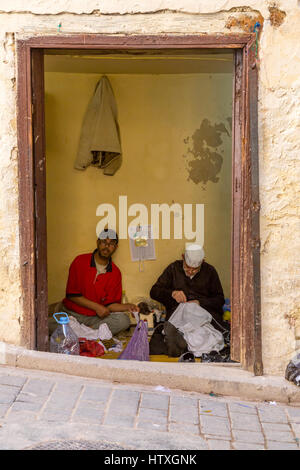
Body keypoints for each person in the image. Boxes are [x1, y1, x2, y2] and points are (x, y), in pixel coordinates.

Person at [49, 229, 138, 336]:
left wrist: (128, 306)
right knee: (44, 325)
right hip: (72, 314)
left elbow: (110, 305)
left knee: (123, 320)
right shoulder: (80, 261)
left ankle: (81, 332)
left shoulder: (115, 272)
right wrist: (97, 307)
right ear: (98, 242)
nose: (106, 246)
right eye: (104, 242)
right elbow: (72, 295)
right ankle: (88, 333)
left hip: (95, 319)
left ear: (116, 247)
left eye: (111, 244)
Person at [150, 244, 228, 332]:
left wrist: (200, 302)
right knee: (176, 332)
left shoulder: (210, 271)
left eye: (195, 269)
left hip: (204, 314)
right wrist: (172, 293)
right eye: (187, 267)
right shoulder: (173, 269)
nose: (190, 272)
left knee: (208, 333)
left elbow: (220, 299)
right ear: (183, 257)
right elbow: (154, 291)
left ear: (202, 261)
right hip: (178, 315)